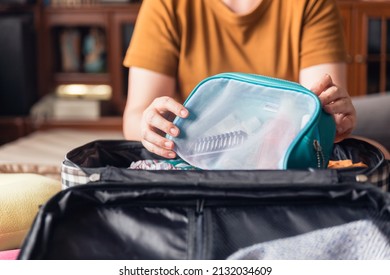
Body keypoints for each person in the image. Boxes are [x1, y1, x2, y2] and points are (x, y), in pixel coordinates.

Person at [122, 0, 356, 159]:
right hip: (201, 157)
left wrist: (331, 118)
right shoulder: (166, 4)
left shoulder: (310, 3)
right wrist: (153, 128)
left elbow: (317, 109)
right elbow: (137, 116)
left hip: (280, 155)